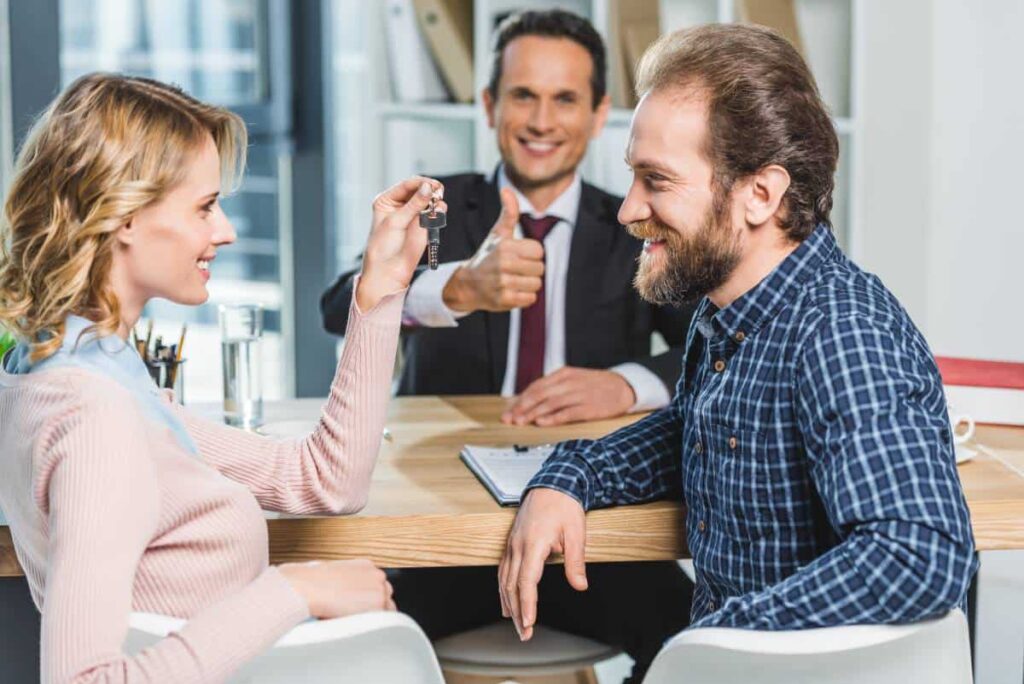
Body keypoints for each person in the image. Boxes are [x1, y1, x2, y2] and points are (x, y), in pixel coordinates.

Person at [500, 22, 978, 645]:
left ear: (759, 194)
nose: (628, 209)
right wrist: (570, 476)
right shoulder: (730, 313)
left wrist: (714, 643)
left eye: (658, 180)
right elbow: (695, 434)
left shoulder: (840, 331)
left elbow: (918, 557)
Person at [0, 73, 441, 681]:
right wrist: (294, 591)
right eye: (205, 206)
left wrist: (382, 283)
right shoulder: (92, 414)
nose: (226, 230)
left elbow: (324, 481)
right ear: (124, 213)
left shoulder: (80, 368)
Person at [320, 9, 697, 427]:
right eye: (523, 96)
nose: (541, 122)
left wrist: (625, 385)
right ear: (489, 106)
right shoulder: (435, 205)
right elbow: (337, 309)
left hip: (586, 451)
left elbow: (709, 344)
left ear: (598, 115)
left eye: (565, 99)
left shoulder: (634, 225)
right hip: (440, 449)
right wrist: (454, 288)